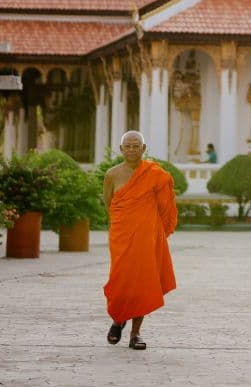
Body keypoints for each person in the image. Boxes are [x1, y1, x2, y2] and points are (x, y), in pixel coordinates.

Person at [102, 131, 177, 351]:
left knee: (143, 282)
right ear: (121, 149)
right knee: (120, 280)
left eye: (136, 146)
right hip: (121, 236)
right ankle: (118, 319)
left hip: (146, 237)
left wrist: (155, 229)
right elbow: (110, 204)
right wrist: (124, 225)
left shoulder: (155, 175)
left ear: (143, 149)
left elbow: (165, 206)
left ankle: (135, 334)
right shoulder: (112, 175)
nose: (132, 150)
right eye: (128, 146)